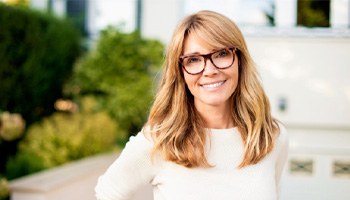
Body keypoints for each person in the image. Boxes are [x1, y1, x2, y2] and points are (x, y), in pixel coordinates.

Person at [95, 10, 288, 200]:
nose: (210, 70)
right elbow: (108, 192)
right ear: (181, 72)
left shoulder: (272, 137)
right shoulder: (159, 140)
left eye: (222, 53)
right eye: (194, 60)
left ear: (240, 60)